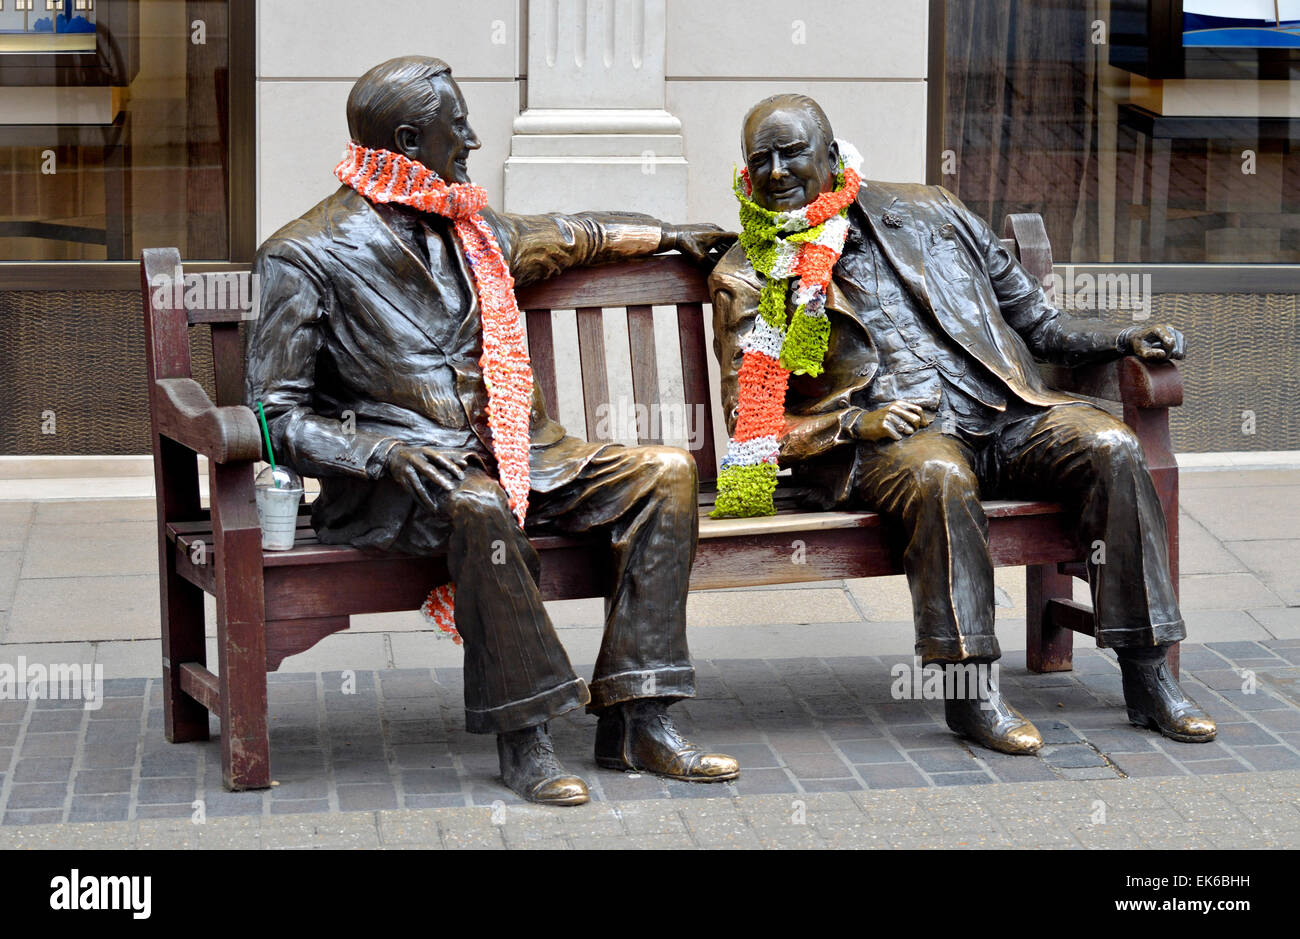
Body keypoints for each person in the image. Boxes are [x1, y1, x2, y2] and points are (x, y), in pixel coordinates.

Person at [245, 56, 739, 805]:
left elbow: (573, 234)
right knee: (476, 505)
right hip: (399, 483)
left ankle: (642, 716)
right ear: (410, 139)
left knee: (666, 473)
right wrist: (383, 450)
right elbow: (273, 414)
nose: (473, 138)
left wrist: (669, 235)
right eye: (458, 124)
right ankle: (527, 735)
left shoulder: (472, 229)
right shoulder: (303, 252)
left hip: (523, 455)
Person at [707, 93, 1215, 755]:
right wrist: (853, 424)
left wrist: (1119, 339)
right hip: (893, 444)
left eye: (791, 153)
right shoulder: (750, 274)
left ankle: (1148, 677)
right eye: (760, 160)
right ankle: (972, 690)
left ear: (831, 156)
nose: (775, 172)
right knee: (942, 474)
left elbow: (1039, 325)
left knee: (1112, 446)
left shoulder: (932, 210)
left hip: (1005, 416)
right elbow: (754, 423)